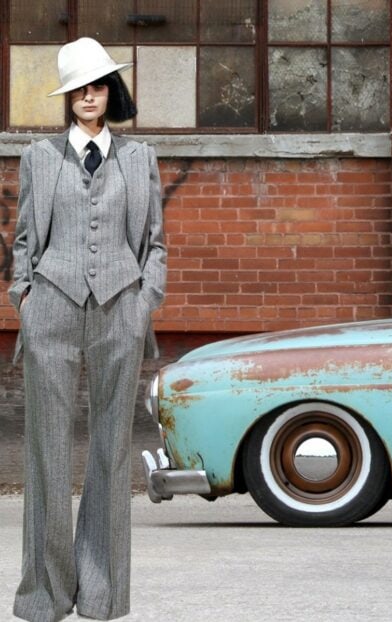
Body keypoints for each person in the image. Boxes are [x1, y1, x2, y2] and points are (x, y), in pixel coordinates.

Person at [10, 37, 166, 622]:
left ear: (110, 91)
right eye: (78, 88)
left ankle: (101, 596)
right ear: (68, 97)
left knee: (110, 452)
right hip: (51, 305)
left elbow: (154, 243)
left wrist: (144, 303)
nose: (89, 96)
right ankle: (44, 595)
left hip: (121, 307)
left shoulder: (139, 157)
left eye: (98, 86)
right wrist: (24, 297)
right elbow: (24, 239)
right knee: (46, 452)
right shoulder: (39, 157)